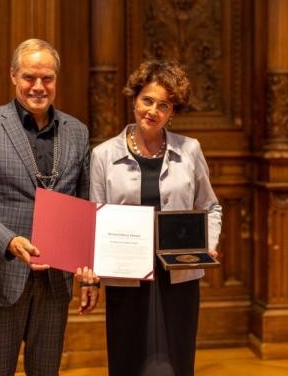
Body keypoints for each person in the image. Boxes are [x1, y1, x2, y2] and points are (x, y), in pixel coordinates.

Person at [0, 38, 100, 376]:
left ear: (56, 80)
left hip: (55, 281)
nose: (38, 86)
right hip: (0, 275)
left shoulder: (77, 132)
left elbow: (85, 207)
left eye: (47, 78)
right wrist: (9, 241)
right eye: (29, 77)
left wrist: (90, 273)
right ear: (13, 77)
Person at [90, 59, 222, 376]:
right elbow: (94, 219)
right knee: (128, 360)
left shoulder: (191, 150)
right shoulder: (103, 155)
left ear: (172, 112)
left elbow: (211, 207)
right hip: (126, 275)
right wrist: (92, 277)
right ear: (134, 99)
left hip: (179, 275)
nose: (153, 111)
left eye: (163, 105)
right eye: (147, 100)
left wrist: (209, 244)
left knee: (176, 362)